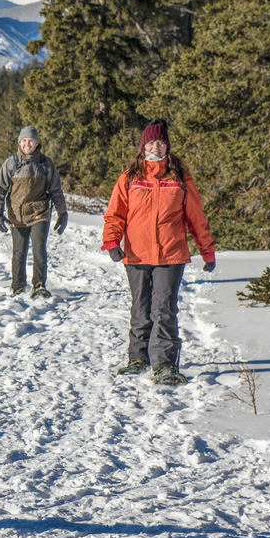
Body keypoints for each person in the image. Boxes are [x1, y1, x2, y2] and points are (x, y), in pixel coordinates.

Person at [102, 118, 215, 386]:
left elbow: (196, 218)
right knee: (141, 309)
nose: (156, 145)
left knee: (164, 309)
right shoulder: (129, 178)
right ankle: (138, 359)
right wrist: (111, 242)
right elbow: (115, 214)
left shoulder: (180, 178)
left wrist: (207, 251)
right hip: (137, 255)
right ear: (143, 146)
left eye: (161, 142)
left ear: (167, 146)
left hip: (171, 256)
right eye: (151, 141)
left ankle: (165, 365)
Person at [0, 126, 68, 298]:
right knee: (19, 251)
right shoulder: (11, 163)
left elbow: (56, 190)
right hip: (16, 215)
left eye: (31, 141)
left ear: (37, 143)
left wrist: (62, 213)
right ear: (19, 142)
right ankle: (18, 286)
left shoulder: (46, 164)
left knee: (39, 248)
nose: (27, 144)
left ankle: (39, 285)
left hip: (39, 213)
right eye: (24, 141)